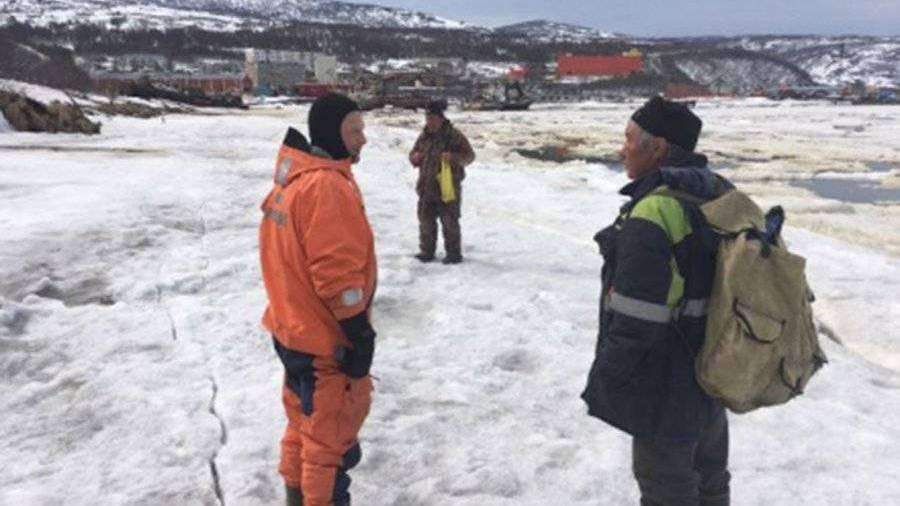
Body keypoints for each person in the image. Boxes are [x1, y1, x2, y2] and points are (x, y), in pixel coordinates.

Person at [581, 96, 734, 506]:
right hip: (716, 370)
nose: (622, 150)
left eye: (629, 139)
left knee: (667, 489)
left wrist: (607, 378)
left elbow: (637, 316)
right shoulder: (719, 192)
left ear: (659, 148)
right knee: (710, 479)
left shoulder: (654, 211)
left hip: (665, 384)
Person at [259, 93, 377, 506]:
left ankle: (295, 497)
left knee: (303, 425)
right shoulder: (326, 187)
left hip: (293, 331)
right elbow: (336, 273)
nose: (363, 139)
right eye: (354, 130)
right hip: (322, 341)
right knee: (328, 443)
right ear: (332, 133)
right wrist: (358, 331)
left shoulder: (295, 180)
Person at [409, 99, 475, 264]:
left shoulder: (453, 135)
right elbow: (413, 152)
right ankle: (426, 252)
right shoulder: (424, 136)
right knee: (426, 222)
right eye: (427, 118)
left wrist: (453, 158)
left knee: (449, 222)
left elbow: (469, 156)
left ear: (440, 118)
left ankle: (453, 254)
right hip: (426, 186)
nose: (429, 122)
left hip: (447, 187)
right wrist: (414, 157)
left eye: (432, 118)